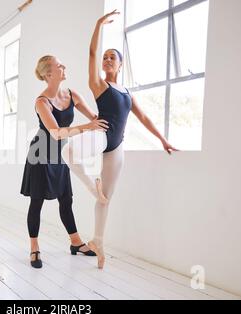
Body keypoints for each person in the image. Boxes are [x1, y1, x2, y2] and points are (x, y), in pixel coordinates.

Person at [61, 10, 179, 269]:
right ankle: (92, 185)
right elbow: (91, 54)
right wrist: (98, 24)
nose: (106, 59)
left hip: (117, 147)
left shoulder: (126, 92)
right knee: (68, 152)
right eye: (105, 57)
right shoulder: (99, 85)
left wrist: (162, 139)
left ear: (121, 63)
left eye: (112, 57)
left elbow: (145, 118)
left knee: (105, 199)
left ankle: (97, 243)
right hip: (102, 135)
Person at [20, 55, 109, 268]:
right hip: (41, 155)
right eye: (60, 65)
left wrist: (108, 115)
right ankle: (34, 248)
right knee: (37, 202)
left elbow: (95, 119)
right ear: (48, 74)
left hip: (60, 155)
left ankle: (75, 243)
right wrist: (88, 127)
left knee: (66, 198)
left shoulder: (71, 95)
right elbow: (57, 133)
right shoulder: (41, 102)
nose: (64, 66)